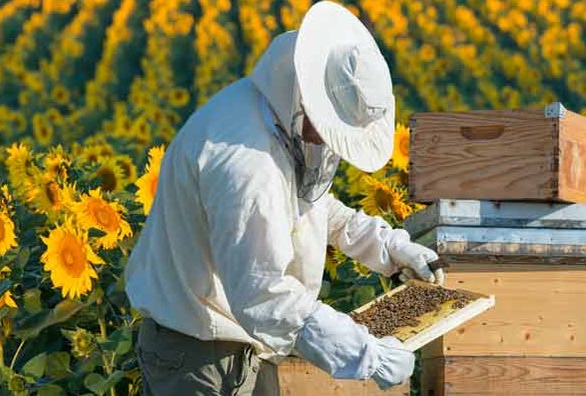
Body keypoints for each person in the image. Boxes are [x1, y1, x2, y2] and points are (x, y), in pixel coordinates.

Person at [124, 2, 444, 394]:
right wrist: (366, 354)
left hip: (237, 342)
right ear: (309, 99)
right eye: (331, 128)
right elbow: (262, 292)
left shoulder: (268, 112)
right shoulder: (246, 163)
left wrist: (387, 247)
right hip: (201, 356)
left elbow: (308, 207)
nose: (331, 142)